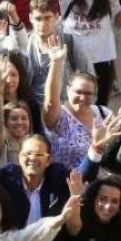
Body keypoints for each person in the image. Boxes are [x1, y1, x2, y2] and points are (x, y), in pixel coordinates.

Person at [43, 38, 109, 171]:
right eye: (78, 92)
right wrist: (56, 63)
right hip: (65, 182)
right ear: (67, 90)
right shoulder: (59, 115)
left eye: (88, 93)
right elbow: (50, 102)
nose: (83, 97)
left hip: (96, 184)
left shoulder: (104, 114)